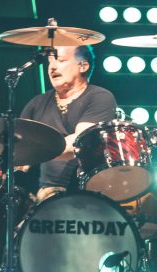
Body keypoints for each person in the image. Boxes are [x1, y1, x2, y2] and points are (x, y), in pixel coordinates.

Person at [19, 44, 117, 202]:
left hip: (88, 194)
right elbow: (20, 150)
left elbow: (79, 143)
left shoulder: (100, 97)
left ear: (83, 66)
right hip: (45, 197)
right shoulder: (37, 103)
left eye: (61, 60)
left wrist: (34, 150)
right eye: (50, 61)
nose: (52, 67)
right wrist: (1, 163)